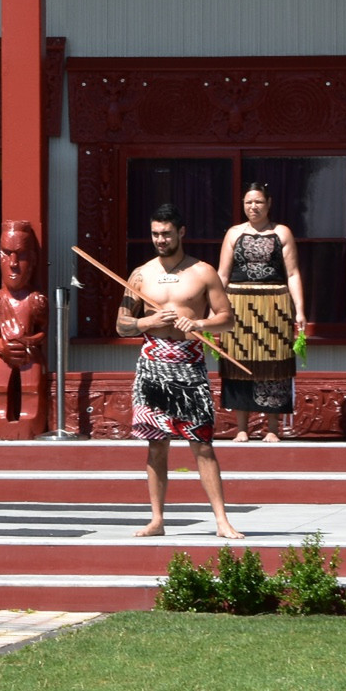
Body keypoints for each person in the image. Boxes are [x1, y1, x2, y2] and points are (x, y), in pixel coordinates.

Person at [121, 203, 243, 539]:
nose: (160, 239)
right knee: (156, 444)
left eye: (166, 233)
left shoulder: (203, 272)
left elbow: (228, 319)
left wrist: (199, 322)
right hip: (152, 365)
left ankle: (221, 521)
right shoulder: (140, 275)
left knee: (202, 444)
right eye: (155, 233)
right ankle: (157, 519)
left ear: (181, 232)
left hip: (189, 363)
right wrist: (149, 321)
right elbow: (122, 324)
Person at [217, 181, 306, 441]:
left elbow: (292, 274)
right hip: (238, 305)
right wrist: (214, 308)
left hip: (274, 304)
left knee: (274, 365)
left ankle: (272, 428)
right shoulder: (233, 233)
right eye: (248, 202)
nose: (253, 207)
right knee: (238, 363)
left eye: (258, 202)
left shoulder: (282, 232)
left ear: (268, 204)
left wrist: (299, 310)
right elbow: (222, 274)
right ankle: (242, 428)